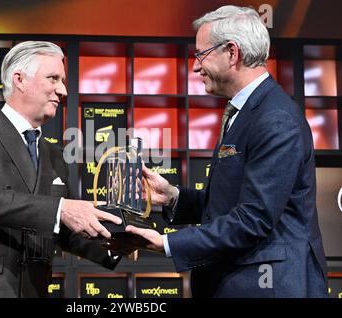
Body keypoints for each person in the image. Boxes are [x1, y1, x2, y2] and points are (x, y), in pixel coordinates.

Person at [123, 5, 328, 297]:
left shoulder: (275, 118)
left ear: (232, 52)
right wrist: (173, 197)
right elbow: (231, 203)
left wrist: (167, 243)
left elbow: (252, 219)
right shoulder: (247, 111)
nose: (195, 67)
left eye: (201, 55)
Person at [0, 41, 122, 298]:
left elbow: (62, 228)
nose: (62, 90)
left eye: (62, 80)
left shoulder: (54, 155)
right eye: (53, 78)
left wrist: (117, 239)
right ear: (19, 79)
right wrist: (61, 209)